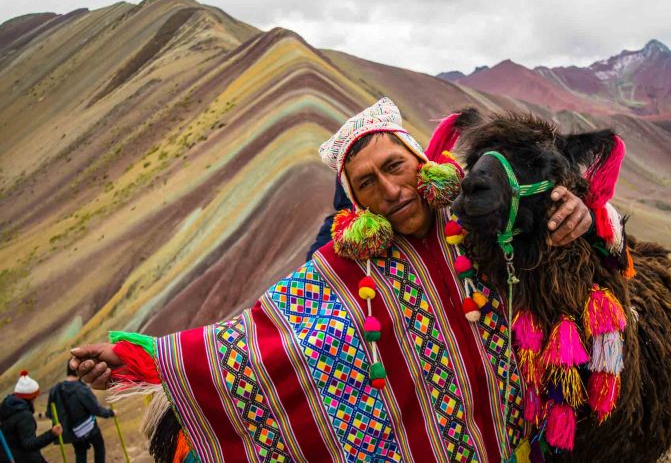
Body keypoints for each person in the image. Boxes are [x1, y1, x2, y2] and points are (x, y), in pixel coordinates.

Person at [69, 98, 603, 461]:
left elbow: (562, 232)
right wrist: (145, 359)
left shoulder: (480, 218)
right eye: (367, 183)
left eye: (396, 167)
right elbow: (257, 342)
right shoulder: (343, 270)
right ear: (355, 202)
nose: (390, 190)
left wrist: (578, 212)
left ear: (424, 163)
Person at [46, 360, 116, 463]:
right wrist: (111, 413)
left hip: (71, 433)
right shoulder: (81, 389)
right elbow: (96, 409)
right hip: (89, 428)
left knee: (80, 453)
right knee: (99, 447)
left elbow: (50, 413)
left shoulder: (55, 390)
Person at [0, 371, 62, 463]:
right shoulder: (24, 416)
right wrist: (52, 434)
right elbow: (29, 445)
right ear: (31, 397)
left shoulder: (5, 407)